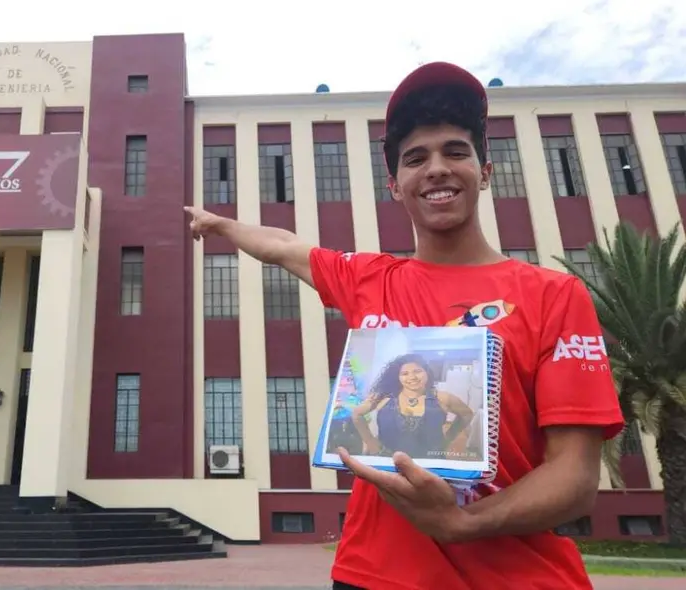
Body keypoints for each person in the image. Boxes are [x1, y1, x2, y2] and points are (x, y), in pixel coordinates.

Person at [184, 61, 624, 589]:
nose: (436, 168)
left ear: (485, 173)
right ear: (396, 185)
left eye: (455, 152)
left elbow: (575, 479)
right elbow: (284, 247)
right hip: (373, 575)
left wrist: (462, 523)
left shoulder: (555, 296)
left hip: (518, 578)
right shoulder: (369, 279)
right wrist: (222, 225)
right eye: (416, 159)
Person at [351, 353, 476, 461]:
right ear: (398, 377)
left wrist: (449, 436)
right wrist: (370, 442)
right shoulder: (383, 397)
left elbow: (466, 414)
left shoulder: (443, 398)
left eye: (417, 371)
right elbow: (357, 414)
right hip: (388, 460)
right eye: (405, 373)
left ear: (426, 372)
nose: (412, 377)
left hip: (429, 462)